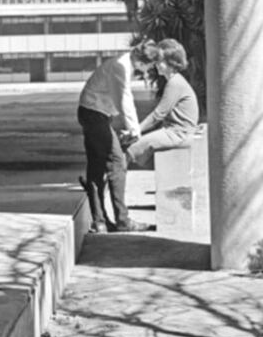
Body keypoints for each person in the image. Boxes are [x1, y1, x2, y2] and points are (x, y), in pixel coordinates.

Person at [77, 40, 158, 233]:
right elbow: (124, 99)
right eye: (149, 67)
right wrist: (134, 130)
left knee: (97, 167)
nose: (147, 72)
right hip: (94, 114)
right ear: (143, 62)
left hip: (95, 114)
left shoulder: (122, 64)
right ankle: (122, 220)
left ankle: (100, 222)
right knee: (117, 162)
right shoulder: (120, 66)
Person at [124, 38, 200, 171]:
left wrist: (135, 130)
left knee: (131, 150)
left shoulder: (174, 83)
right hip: (175, 132)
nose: (157, 65)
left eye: (161, 62)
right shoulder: (175, 81)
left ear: (171, 64)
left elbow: (158, 115)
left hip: (178, 134)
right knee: (138, 149)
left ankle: (105, 185)